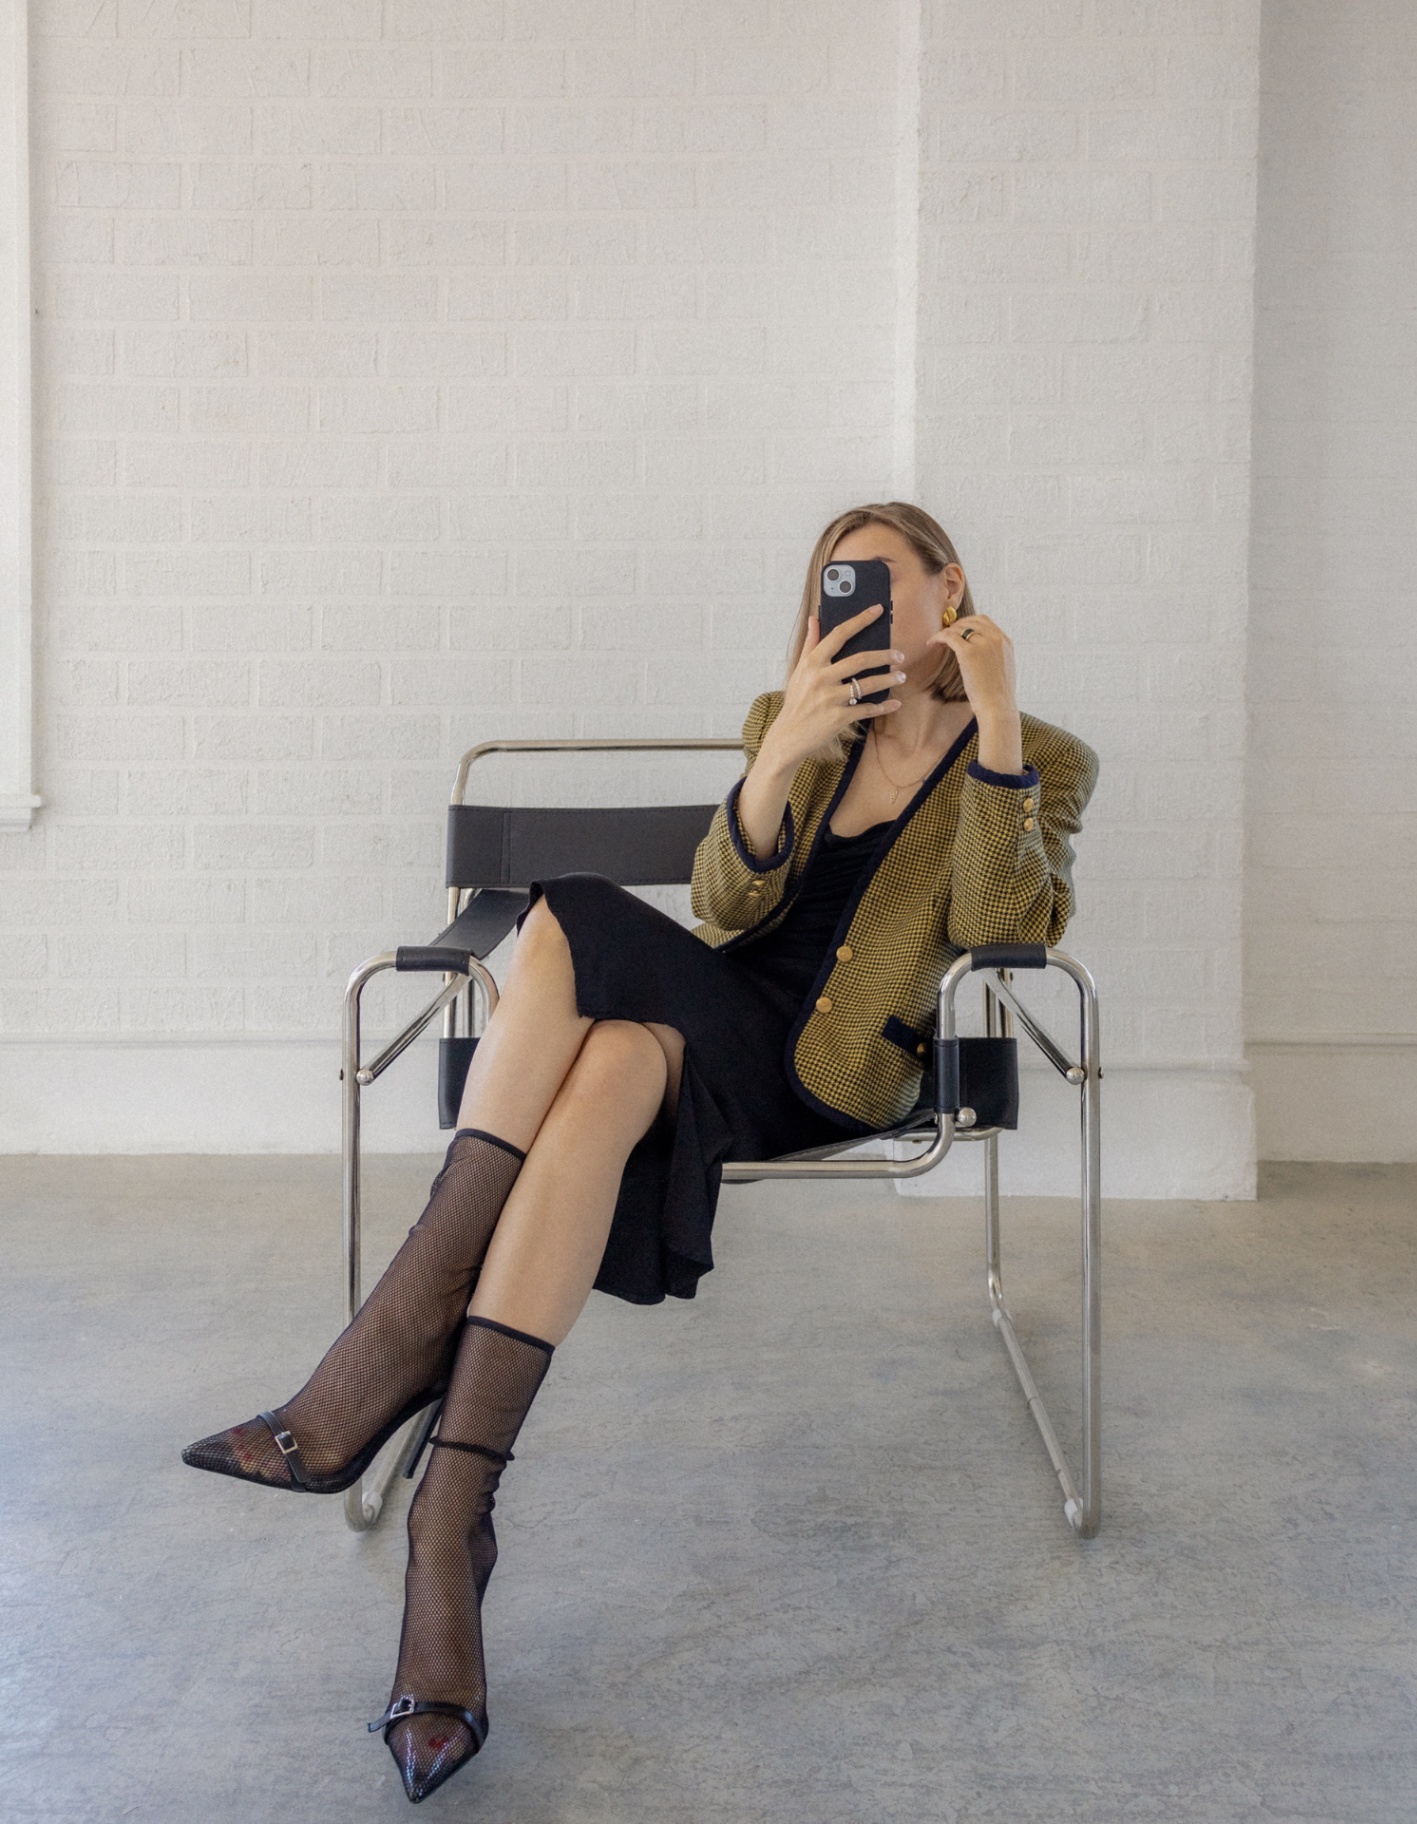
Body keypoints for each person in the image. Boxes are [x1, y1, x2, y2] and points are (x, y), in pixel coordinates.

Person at [183, 501, 1098, 1804]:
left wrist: (994, 723)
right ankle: (454, 1519)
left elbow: (1004, 925)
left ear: (950, 591)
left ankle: (375, 1371)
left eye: (881, 588)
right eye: (833, 590)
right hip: (719, 1031)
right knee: (607, 1056)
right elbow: (726, 906)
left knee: (568, 914)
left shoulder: (1048, 754)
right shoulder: (789, 716)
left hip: (839, 1079)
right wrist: (783, 751)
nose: (852, 615)